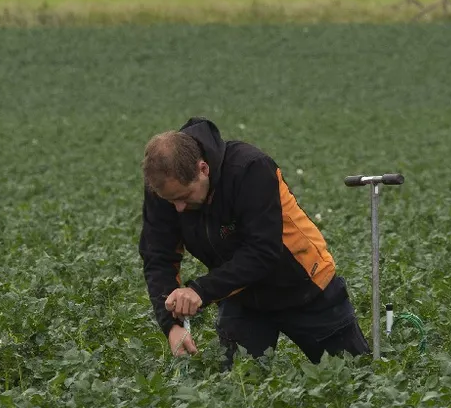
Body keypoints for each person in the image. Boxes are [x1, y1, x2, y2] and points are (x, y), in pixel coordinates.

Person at [138, 116, 370, 369]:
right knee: (241, 387)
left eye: (184, 197)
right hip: (241, 297)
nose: (178, 208)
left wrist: (199, 290)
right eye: (171, 201)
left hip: (306, 287)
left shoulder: (250, 168)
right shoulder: (165, 189)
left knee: (356, 378)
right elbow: (158, 257)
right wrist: (172, 325)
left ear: (203, 168)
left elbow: (263, 251)